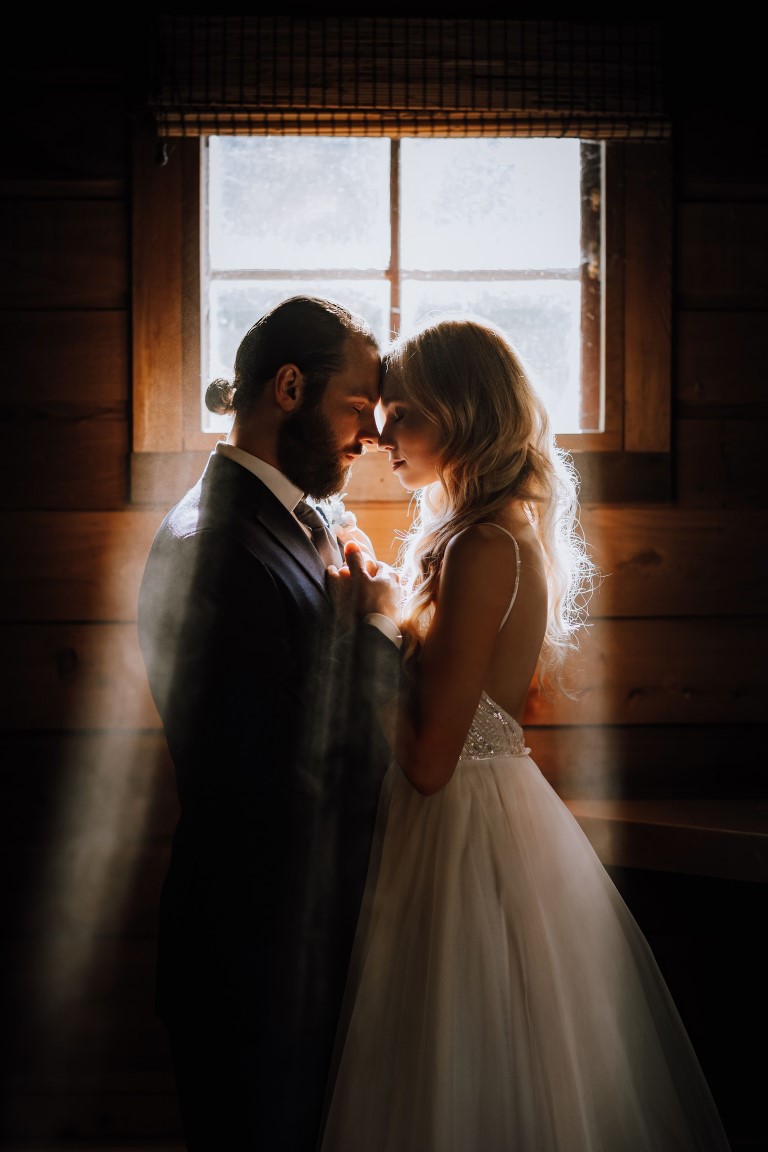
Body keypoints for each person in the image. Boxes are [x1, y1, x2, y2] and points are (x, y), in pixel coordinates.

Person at [319, 315, 732, 1151]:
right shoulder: (476, 534)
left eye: (406, 416)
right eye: (385, 412)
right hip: (469, 813)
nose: (382, 433)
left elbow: (432, 759)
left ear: (464, 412)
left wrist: (364, 630)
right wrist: (387, 591)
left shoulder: (483, 546)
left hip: (465, 824)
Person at [137, 295, 403, 1151]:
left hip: (296, 948)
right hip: (253, 961)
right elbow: (274, 773)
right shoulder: (216, 545)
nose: (370, 437)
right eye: (357, 410)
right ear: (289, 387)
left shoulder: (291, 517)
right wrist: (370, 637)